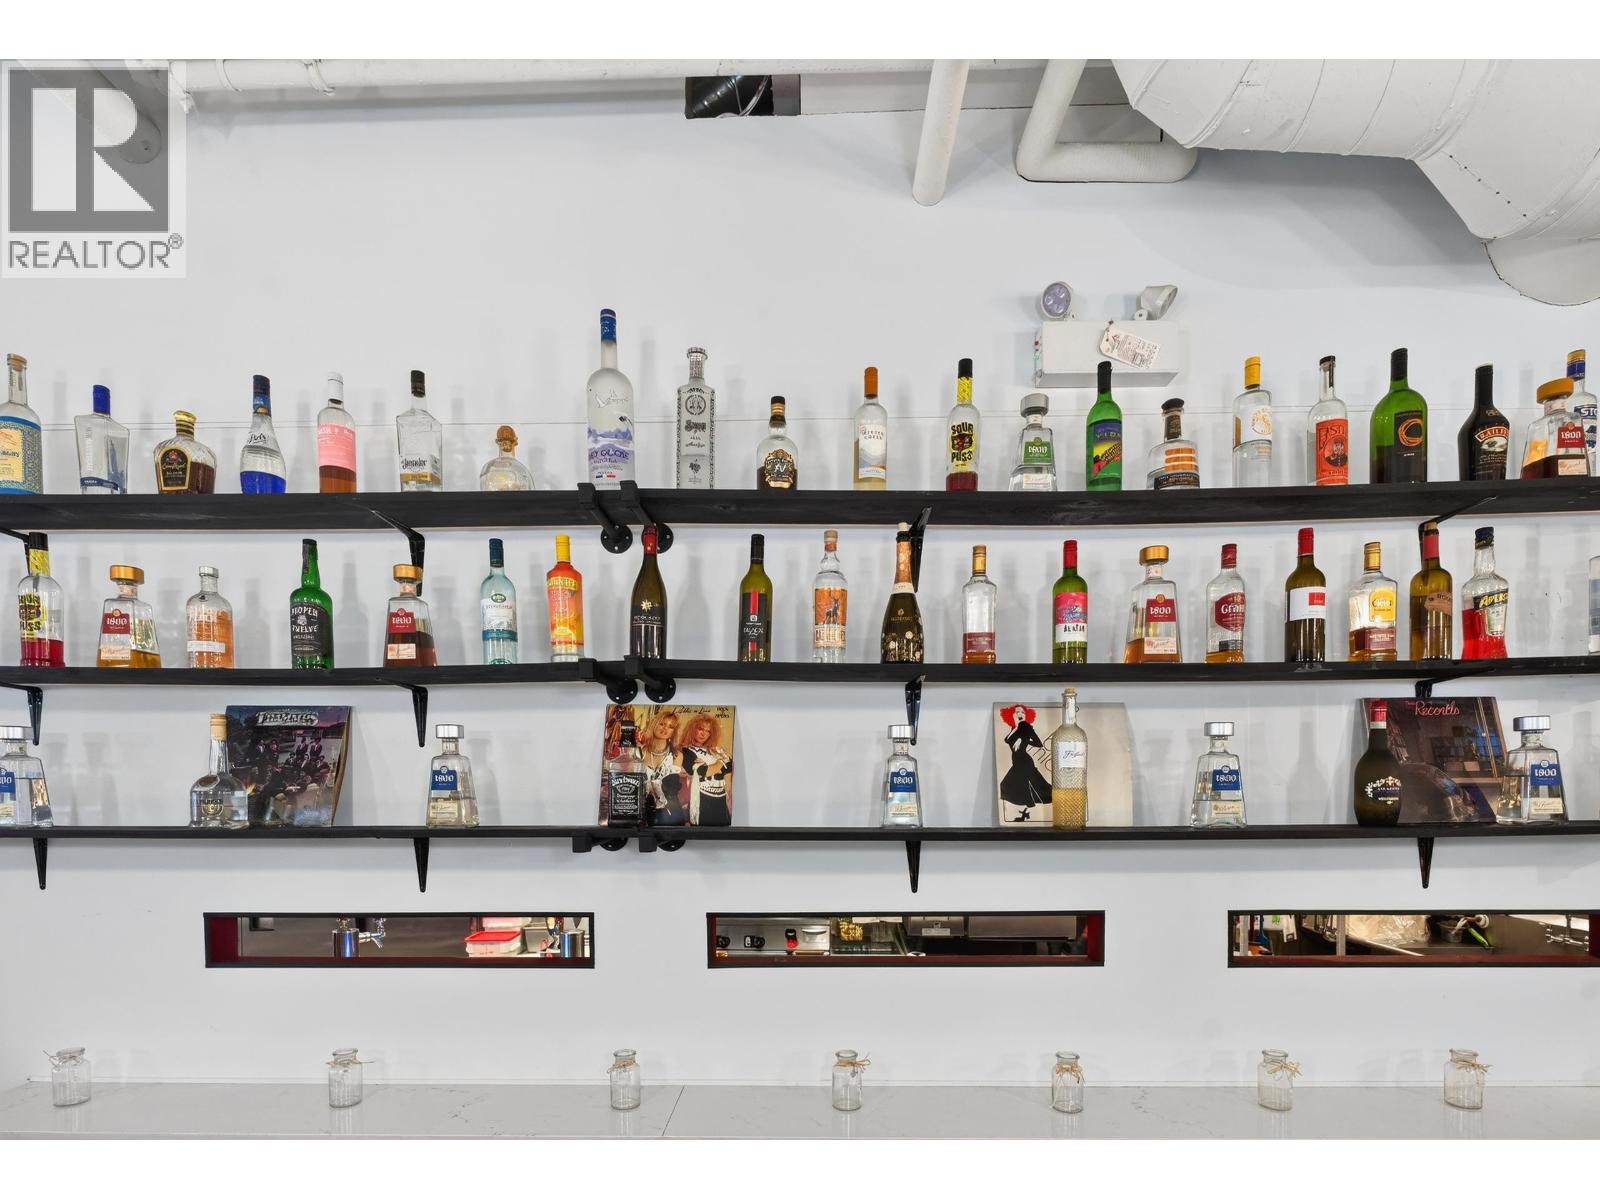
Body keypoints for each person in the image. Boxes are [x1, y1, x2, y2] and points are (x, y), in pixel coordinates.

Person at [999, 704, 1051, 821]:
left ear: (1026, 715)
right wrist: (1020, 737)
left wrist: (1023, 740)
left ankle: (1030, 806)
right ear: (1011, 715)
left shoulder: (1026, 726)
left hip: (1024, 760)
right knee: (1029, 782)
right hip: (1017, 761)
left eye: (1022, 712)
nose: (1020, 714)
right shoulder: (1014, 728)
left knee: (1006, 784)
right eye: (1017, 712)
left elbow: (1039, 744)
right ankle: (1029, 806)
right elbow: (1008, 740)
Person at [679, 714, 733, 825]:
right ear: (693, 729)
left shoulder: (716, 750)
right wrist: (721, 761)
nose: (704, 734)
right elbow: (702, 772)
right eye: (700, 729)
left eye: (708, 731)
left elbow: (728, 772)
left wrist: (713, 766)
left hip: (721, 800)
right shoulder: (685, 751)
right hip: (701, 800)